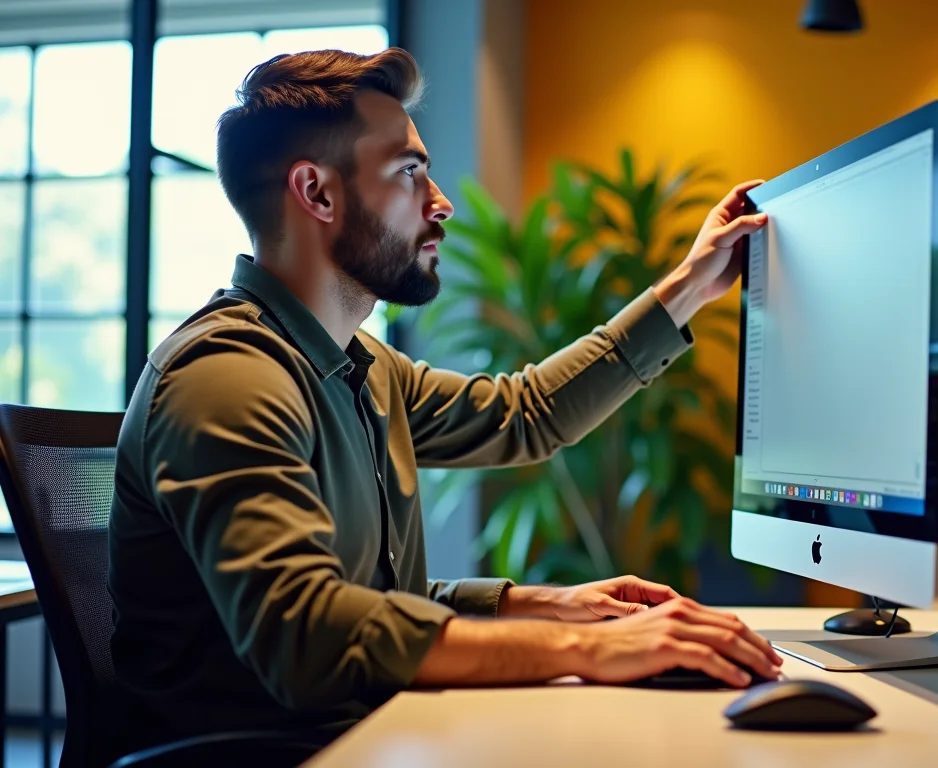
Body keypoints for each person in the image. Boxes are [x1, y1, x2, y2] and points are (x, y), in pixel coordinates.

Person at [106, 46, 781, 756]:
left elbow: (525, 414)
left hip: (358, 737)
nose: (441, 200)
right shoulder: (228, 377)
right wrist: (585, 651)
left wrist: (692, 286)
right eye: (409, 171)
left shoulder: (359, 367)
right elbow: (310, 636)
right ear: (318, 193)